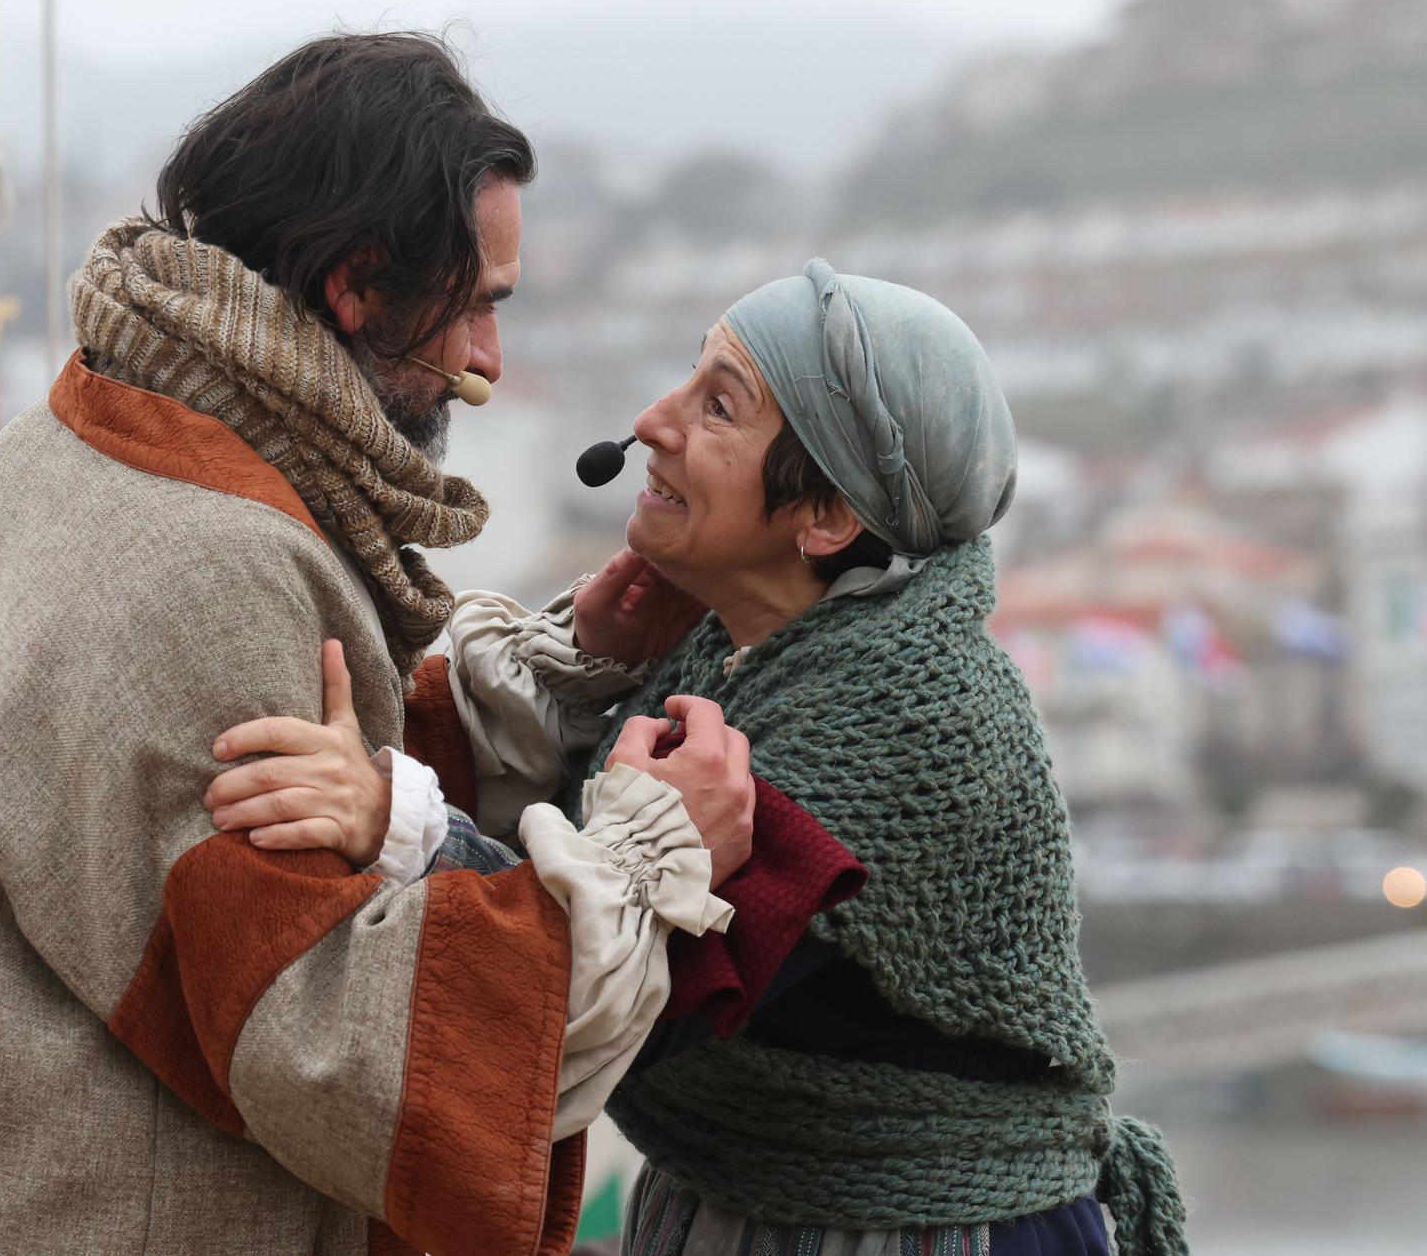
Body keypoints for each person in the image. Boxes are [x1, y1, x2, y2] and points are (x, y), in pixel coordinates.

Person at [0, 32, 762, 1256]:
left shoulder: (81, 435)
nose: (487, 361)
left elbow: (239, 822)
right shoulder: (210, 555)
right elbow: (327, 1037)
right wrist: (644, 861)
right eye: (478, 305)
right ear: (357, 285)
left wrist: (538, 684)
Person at [243, 261, 1190, 1255]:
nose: (652, 421)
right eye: (686, 377)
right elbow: (594, 849)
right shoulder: (724, 651)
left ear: (824, 515)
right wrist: (584, 673)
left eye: (718, 406)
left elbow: (614, 985)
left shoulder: (902, 725)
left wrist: (395, 820)